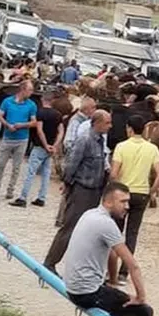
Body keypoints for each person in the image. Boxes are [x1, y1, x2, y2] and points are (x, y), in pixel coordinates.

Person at [62, 181, 156, 316]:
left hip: (74, 286)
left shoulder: (90, 215)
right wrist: (140, 297)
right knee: (144, 312)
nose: (127, 206)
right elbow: (132, 265)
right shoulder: (106, 224)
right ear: (109, 201)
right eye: (123, 201)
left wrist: (113, 283)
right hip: (86, 291)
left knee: (118, 302)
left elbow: (112, 255)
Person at [44, 110, 113, 271]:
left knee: (87, 229)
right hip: (82, 189)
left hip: (95, 190)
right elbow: (72, 163)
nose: (110, 126)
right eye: (107, 123)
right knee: (70, 227)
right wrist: (67, 184)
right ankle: (50, 262)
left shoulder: (99, 140)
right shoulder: (85, 140)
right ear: (97, 123)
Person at [110, 114, 159, 278]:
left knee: (115, 232)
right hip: (141, 194)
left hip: (122, 193)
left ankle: (109, 269)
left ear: (130, 129)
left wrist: (112, 190)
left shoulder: (121, 146)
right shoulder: (152, 148)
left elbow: (113, 174)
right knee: (132, 234)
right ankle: (124, 272)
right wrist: (151, 192)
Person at [13, 93, 65, 207]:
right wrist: (55, 145)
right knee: (46, 173)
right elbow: (61, 131)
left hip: (39, 146)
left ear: (42, 99)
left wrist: (45, 144)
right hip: (51, 148)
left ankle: (23, 197)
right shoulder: (58, 114)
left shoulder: (40, 112)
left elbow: (40, 130)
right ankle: (41, 197)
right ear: (52, 101)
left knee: (31, 172)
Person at [0, 80, 38, 198]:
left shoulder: (31, 105)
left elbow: (34, 122)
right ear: (22, 89)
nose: (31, 93)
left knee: (16, 167)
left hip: (22, 139)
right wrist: (7, 125)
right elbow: (0, 115)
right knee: (0, 164)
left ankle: (10, 191)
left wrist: (22, 125)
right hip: (8, 137)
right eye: (30, 90)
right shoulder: (7, 101)